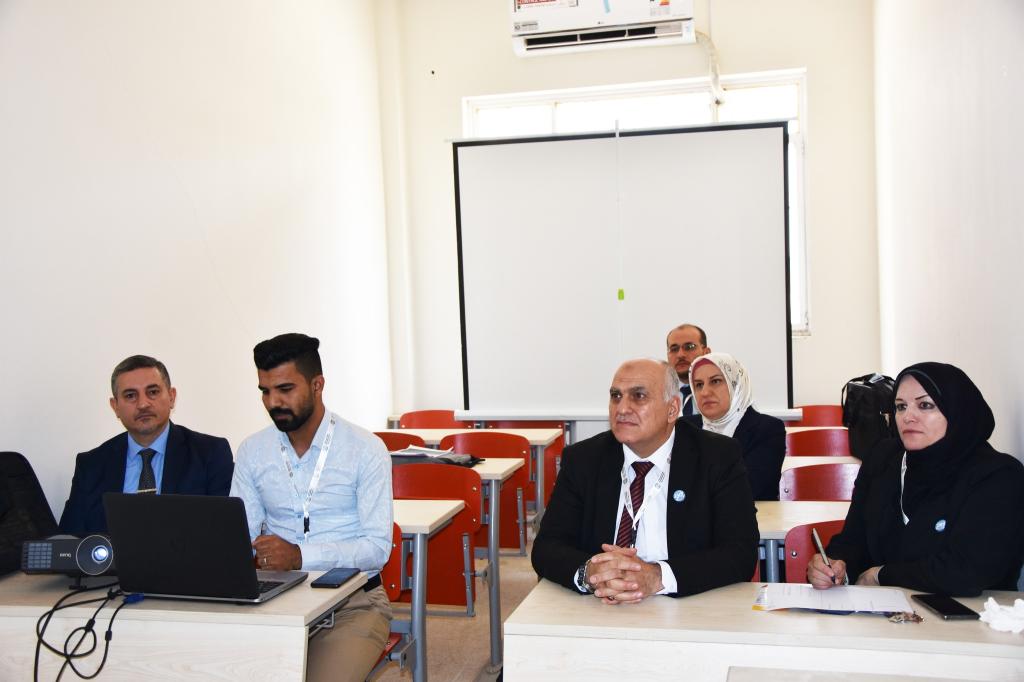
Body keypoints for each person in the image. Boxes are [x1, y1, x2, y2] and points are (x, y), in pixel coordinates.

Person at [230, 333, 392, 682]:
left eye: (285, 389)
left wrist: (299, 556)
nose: (273, 402)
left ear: (317, 385)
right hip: (276, 598)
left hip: (353, 604)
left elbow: (376, 549)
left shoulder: (365, 449)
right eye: (265, 391)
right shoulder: (252, 452)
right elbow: (239, 537)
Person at [532, 358, 757, 603]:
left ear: (672, 409)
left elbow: (740, 552)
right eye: (616, 396)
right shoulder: (584, 459)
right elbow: (547, 547)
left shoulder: (717, 457)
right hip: (600, 606)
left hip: (687, 606)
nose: (622, 409)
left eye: (638, 396)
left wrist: (658, 576)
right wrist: (592, 573)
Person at [808, 362, 1024, 596]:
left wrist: (881, 576)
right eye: (900, 407)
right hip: (884, 612)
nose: (908, 417)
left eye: (925, 405)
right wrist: (835, 566)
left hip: (970, 615)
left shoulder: (998, 476)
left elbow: (966, 571)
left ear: (958, 411)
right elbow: (853, 539)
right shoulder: (882, 458)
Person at [58, 355, 233, 536]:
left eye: (153, 392)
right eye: (130, 396)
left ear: (172, 397)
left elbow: (225, 532)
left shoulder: (210, 454)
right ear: (115, 406)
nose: (143, 404)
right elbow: (69, 541)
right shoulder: (91, 465)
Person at [684, 352, 786, 501]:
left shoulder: (767, 429)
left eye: (715, 381)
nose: (705, 392)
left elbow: (749, 489)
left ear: (736, 385)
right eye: (699, 385)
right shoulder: (685, 428)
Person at [666, 323, 711, 416]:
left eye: (689, 347)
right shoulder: (659, 396)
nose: (680, 355)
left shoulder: (725, 392)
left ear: (706, 353)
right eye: (674, 349)